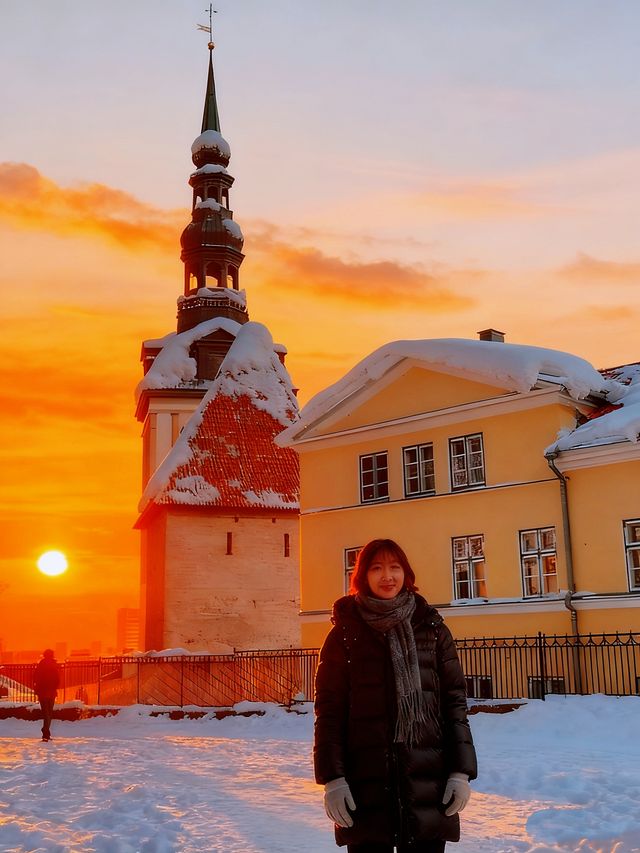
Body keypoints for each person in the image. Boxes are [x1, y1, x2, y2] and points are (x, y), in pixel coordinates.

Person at [314, 539, 477, 852]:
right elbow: (329, 712)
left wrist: (460, 772)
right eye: (376, 568)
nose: (387, 576)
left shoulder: (432, 629)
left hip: (427, 783)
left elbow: (454, 704)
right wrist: (333, 779)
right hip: (365, 787)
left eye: (394, 567)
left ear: (406, 573)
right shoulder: (344, 635)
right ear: (363, 575)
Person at [33, 648, 60, 742]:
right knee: (49, 713)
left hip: (42, 692)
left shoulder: (41, 664)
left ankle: (45, 733)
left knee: (45, 714)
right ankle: (46, 732)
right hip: (51, 692)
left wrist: (37, 689)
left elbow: (36, 677)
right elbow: (57, 679)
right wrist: (55, 687)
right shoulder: (54, 664)